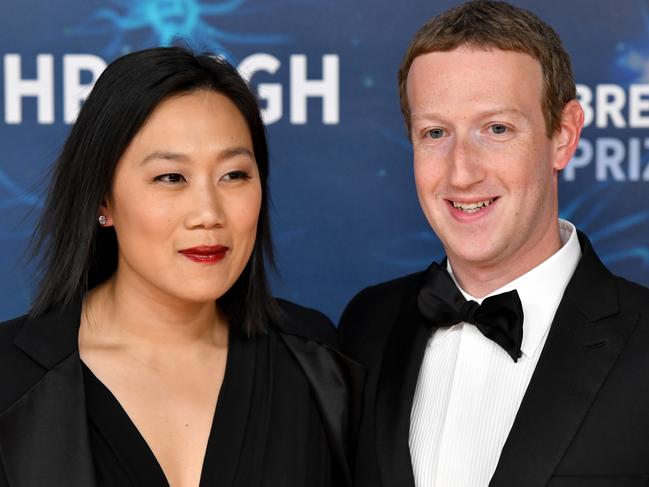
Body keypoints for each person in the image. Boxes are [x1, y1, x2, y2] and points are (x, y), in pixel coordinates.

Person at [0, 46, 361, 487]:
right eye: (171, 177)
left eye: (234, 175)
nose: (208, 213)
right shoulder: (11, 377)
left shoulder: (318, 362)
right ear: (103, 199)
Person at [339, 2, 649, 486]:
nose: (462, 171)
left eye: (497, 129)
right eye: (435, 132)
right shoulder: (366, 326)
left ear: (563, 135)